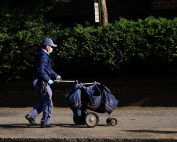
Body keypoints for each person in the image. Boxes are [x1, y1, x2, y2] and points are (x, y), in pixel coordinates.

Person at [25, 38, 61, 128]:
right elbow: (40, 71)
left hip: (41, 80)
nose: (52, 48)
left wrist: (56, 75)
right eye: (51, 46)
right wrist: (47, 79)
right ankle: (45, 122)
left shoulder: (43, 54)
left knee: (44, 100)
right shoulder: (43, 55)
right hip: (42, 81)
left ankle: (31, 115)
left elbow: (47, 69)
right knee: (48, 101)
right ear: (47, 46)